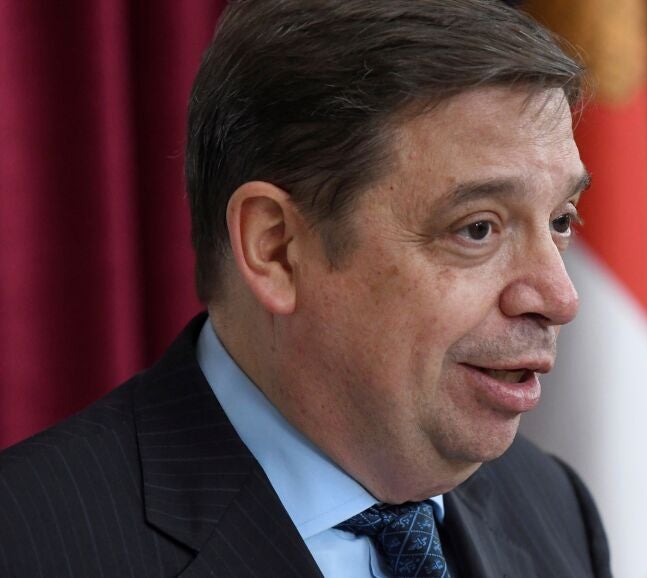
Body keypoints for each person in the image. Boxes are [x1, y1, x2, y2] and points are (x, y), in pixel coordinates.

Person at [0, 0, 612, 576]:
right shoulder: (30, 542)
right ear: (276, 250)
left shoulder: (553, 509)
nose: (560, 299)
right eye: (477, 228)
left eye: (561, 221)